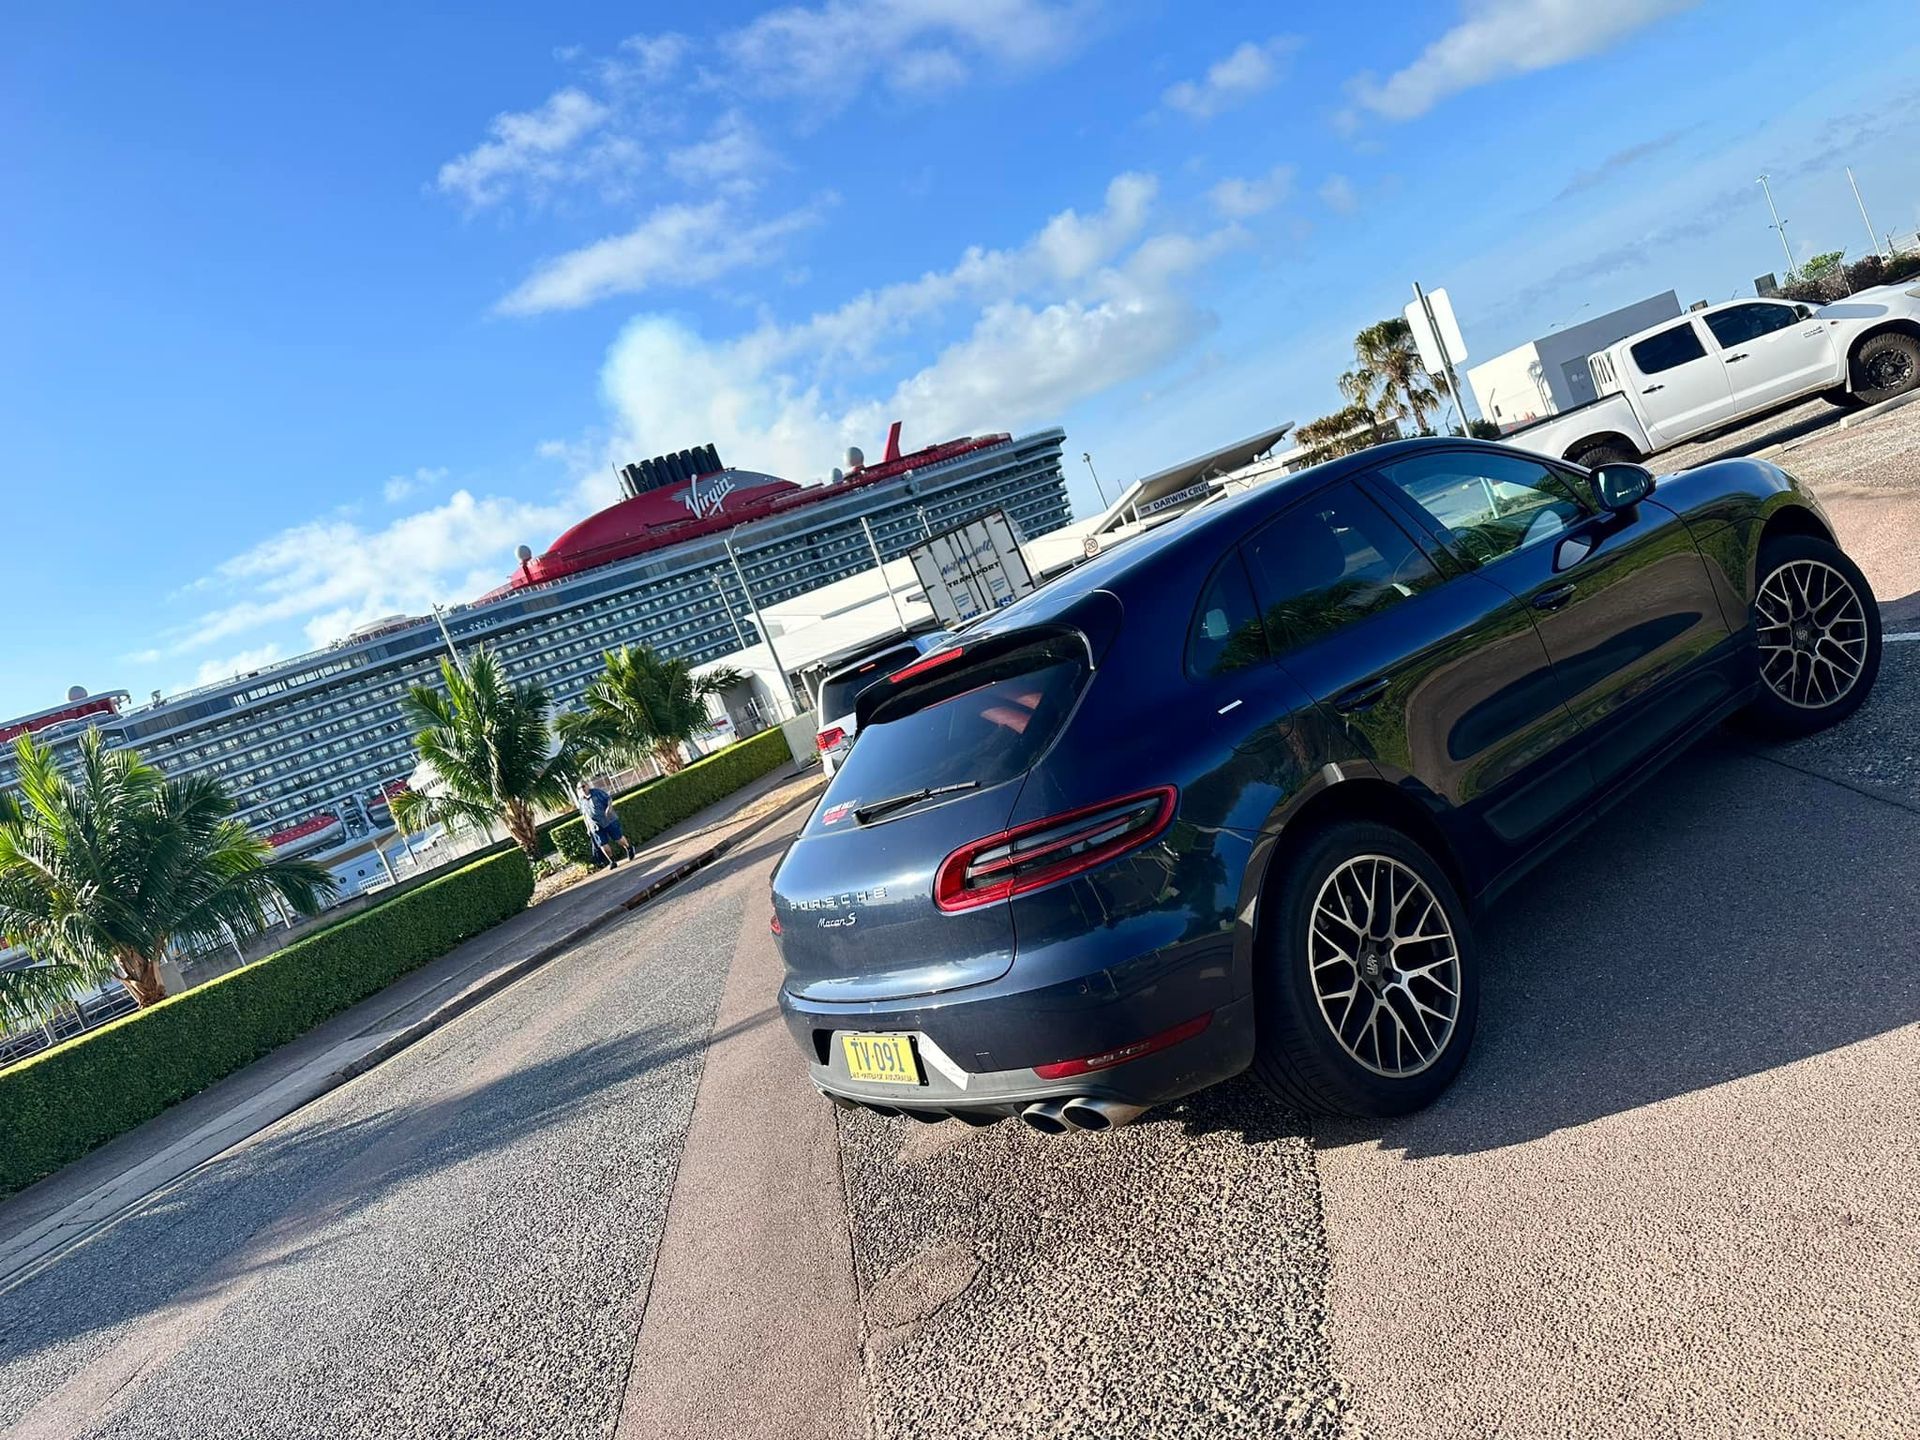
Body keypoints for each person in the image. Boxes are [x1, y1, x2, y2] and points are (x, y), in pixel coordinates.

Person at [577, 781, 633, 868]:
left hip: (609, 820)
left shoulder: (597, 792)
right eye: (580, 788)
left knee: (618, 839)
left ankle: (629, 848)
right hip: (595, 826)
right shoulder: (581, 800)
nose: (582, 789)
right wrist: (588, 828)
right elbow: (585, 815)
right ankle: (612, 861)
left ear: (587, 786)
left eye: (583, 786)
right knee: (602, 844)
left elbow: (609, 799)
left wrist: (608, 809)